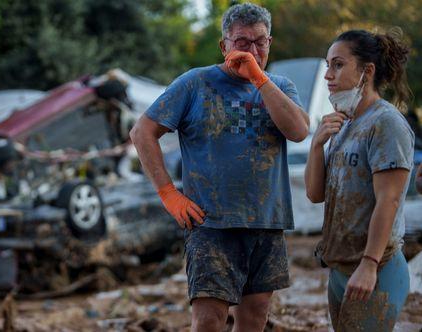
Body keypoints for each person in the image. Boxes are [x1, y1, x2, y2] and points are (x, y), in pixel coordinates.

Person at [129, 3, 309, 332]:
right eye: (242, 42)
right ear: (224, 46)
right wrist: (169, 193)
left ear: (270, 42)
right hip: (211, 223)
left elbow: (298, 131)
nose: (252, 51)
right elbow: (142, 133)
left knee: (255, 316)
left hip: (266, 222)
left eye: (260, 42)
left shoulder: (280, 86)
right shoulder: (195, 83)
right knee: (209, 318)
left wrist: (258, 78)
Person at [305, 29, 414, 331]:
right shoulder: (345, 124)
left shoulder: (386, 123)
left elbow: (388, 200)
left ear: (367, 71)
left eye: (338, 65)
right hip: (341, 269)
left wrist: (369, 264)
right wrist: (317, 145)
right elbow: (315, 194)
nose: (328, 74)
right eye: (328, 65)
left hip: (376, 269)